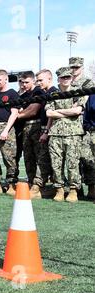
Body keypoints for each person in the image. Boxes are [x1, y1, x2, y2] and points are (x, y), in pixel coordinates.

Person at [45, 67, 86, 202]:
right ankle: (59, 189)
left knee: (73, 162)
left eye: (68, 77)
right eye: (63, 77)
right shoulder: (53, 95)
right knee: (56, 164)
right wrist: (69, 110)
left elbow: (78, 110)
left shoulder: (77, 92)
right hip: (55, 133)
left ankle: (73, 190)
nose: (66, 79)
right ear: (59, 79)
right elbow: (49, 113)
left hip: (73, 133)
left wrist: (59, 111)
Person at [16, 71, 45, 199]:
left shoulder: (38, 92)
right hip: (25, 128)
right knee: (28, 157)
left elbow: (33, 110)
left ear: (33, 81)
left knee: (39, 156)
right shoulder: (22, 97)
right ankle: (31, 181)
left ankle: (38, 185)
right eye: (22, 82)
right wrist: (22, 113)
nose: (24, 85)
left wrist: (17, 115)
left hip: (37, 126)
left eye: (27, 82)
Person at [70, 57, 95, 200]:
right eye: (72, 67)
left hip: (83, 124)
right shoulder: (67, 82)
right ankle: (76, 188)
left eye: (76, 67)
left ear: (82, 67)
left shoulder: (88, 82)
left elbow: (82, 104)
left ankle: (91, 187)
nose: (74, 70)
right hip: (69, 125)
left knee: (87, 157)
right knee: (74, 159)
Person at [36, 69, 59, 196]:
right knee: (46, 159)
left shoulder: (53, 92)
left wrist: (46, 131)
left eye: (41, 80)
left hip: (50, 129)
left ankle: (54, 187)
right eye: (37, 80)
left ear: (49, 79)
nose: (39, 83)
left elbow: (51, 115)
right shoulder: (44, 93)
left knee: (48, 159)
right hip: (44, 128)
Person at [83, 94, 95, 204]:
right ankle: (92, 188)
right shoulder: (92, 96)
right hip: (92, 133)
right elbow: (86, 116)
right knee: (88, 161)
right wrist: (88, 127)